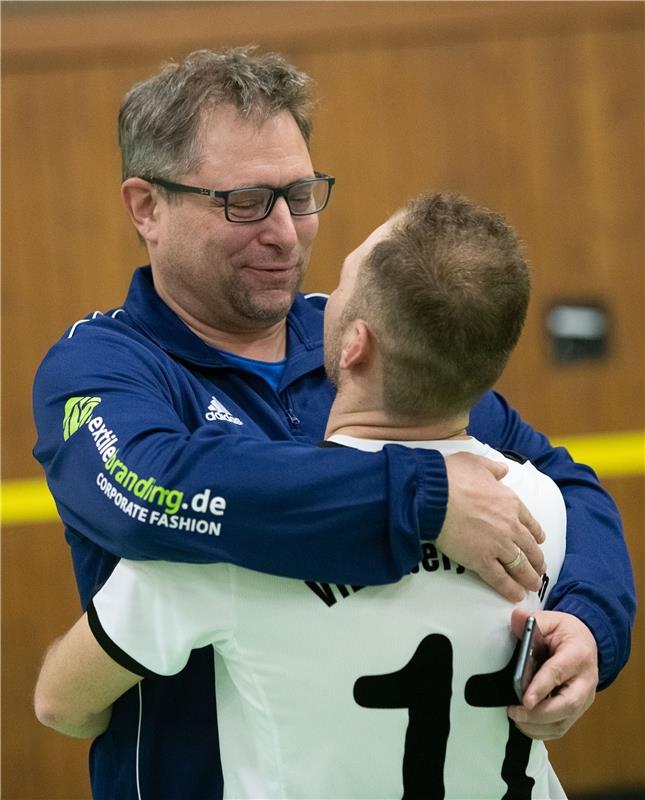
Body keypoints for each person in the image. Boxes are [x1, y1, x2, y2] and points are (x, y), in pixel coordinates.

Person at [31, 47, 633, 799]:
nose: (285, 233)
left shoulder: (365, 340)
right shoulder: (102, 367)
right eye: (245, 201)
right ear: (147, 206)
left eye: (301, 193)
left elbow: (563, 482)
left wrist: (588, 621)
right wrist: (419, 496)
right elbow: (153, 484)